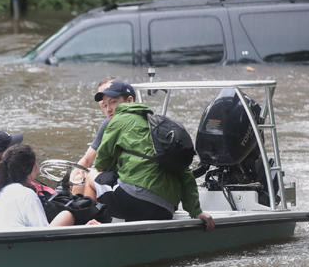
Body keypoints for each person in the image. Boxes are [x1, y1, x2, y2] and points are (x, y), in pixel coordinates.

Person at [90, 81, 216, 231]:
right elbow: (185, 173)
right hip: (165, 209)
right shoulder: (158, 126)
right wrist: (196, 211)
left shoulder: (119, 119)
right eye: (105, 105)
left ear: (129, 101)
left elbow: (102, 163)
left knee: (89, 175)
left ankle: (88, 224)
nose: (109, 109)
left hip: (135, 200)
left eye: (113, 102)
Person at [0, 144, 99, 227]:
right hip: (21, 248)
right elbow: (43, 233)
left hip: (3, 242)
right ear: (33, 169)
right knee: (67, 215)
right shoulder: (27, 195)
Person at [70, 77, 116, 194]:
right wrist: (73, 177)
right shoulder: (107, 123)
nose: (105, 98)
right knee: (79, 178)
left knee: (88, 177)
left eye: (111, 99)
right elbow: (87, 159)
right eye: (102, 97)